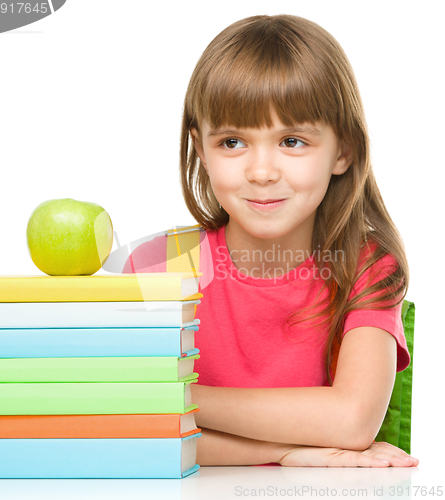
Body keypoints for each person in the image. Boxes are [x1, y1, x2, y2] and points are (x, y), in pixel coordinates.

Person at [123, 14, 419, 468]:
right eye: (233, 142)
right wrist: (289, 452)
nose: (262, 172)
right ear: (200, 149)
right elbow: (133, 427)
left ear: (343, 151)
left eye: (293, 141)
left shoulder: (365, 267)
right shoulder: (155, 267)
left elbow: (353, 421)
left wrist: (178, 394)